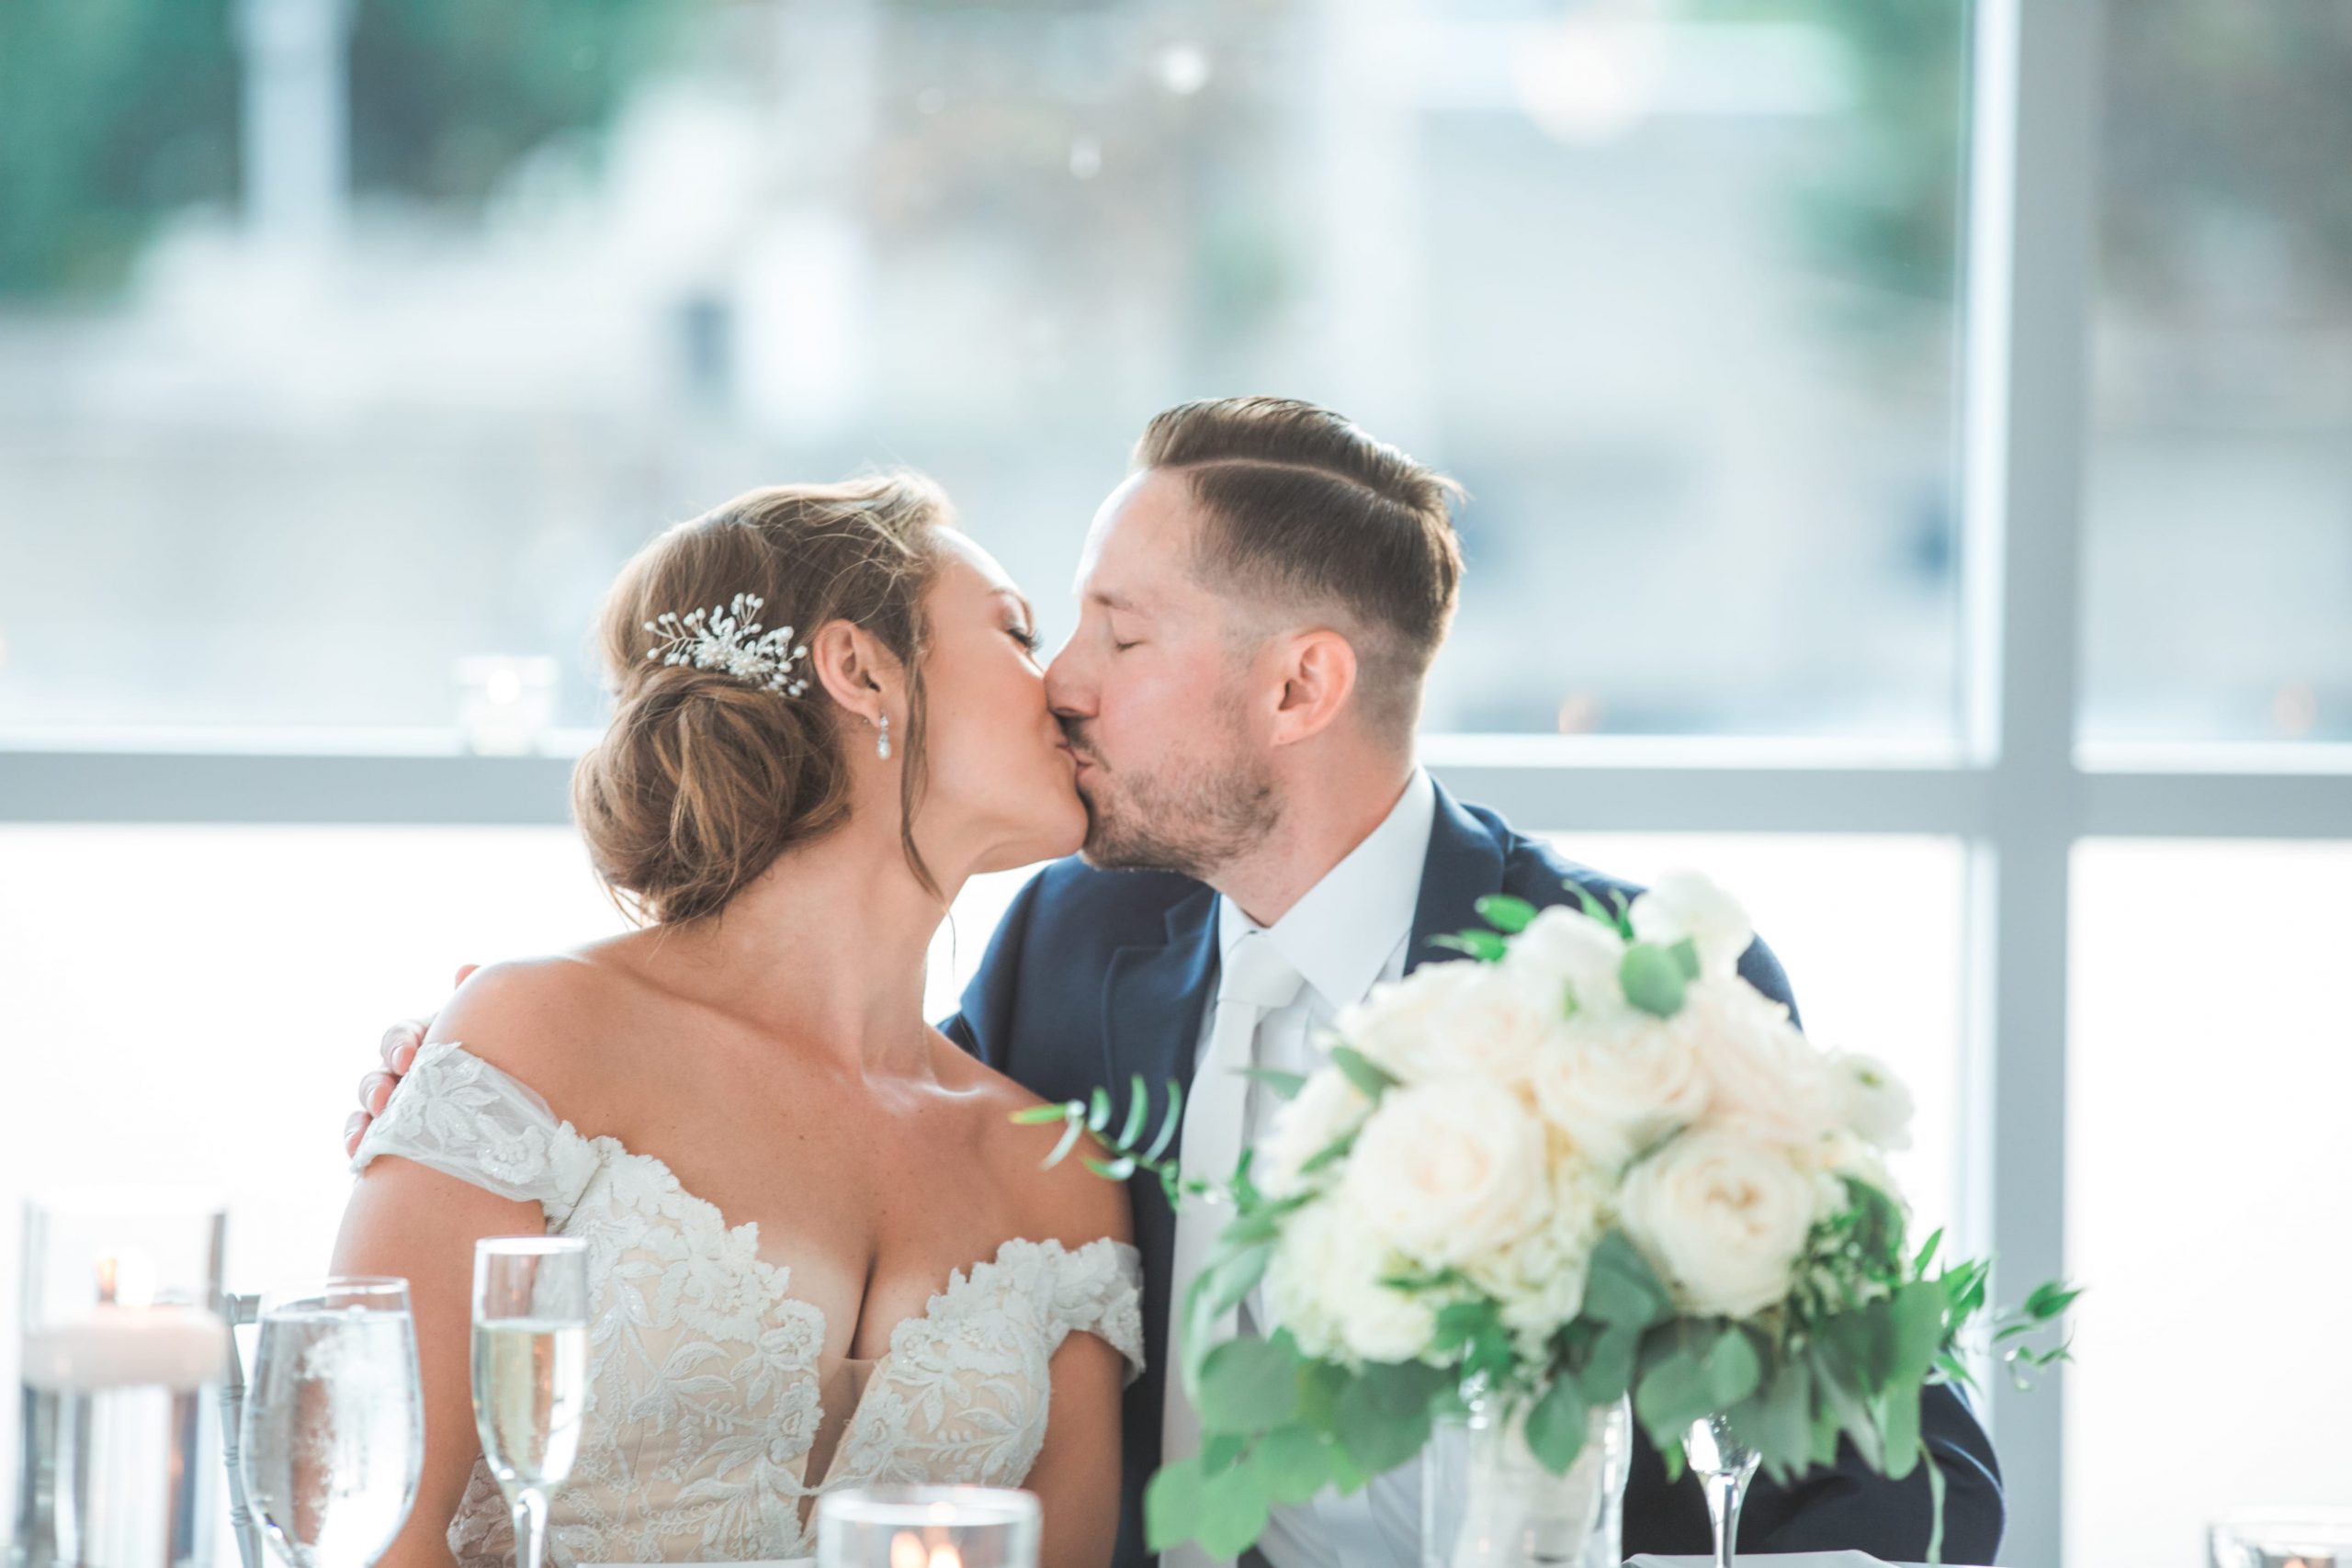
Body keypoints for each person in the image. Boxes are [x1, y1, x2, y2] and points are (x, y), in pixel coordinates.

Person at [355, 398, 2003, 1568]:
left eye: (1114, 636)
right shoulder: (1071, 952)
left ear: (1299, 684)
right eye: (1036, 628)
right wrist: (482, 1094)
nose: (1063, 681)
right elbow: (804, 1128)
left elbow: (1899, 1466)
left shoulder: (1636, 992)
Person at [336, 475, 1141, 1568]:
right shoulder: (541, 1039)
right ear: (862, 672)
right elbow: (365, 1519)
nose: (1064, 687)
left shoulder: (1056, 1171)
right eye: (1016, 632)